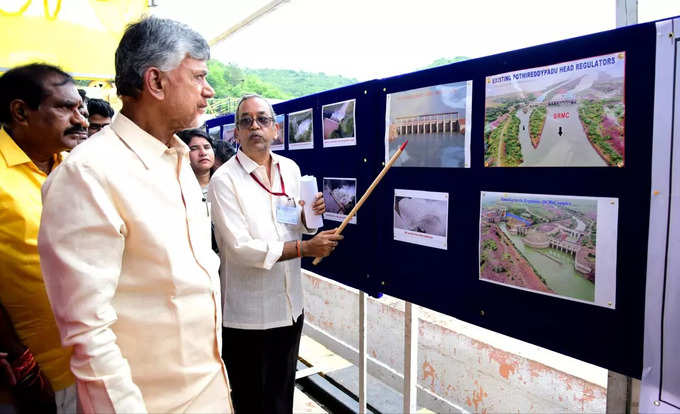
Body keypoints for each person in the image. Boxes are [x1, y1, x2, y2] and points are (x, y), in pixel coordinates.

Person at [38, 17, 232, 413]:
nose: (209, 91)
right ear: (156, 83)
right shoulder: (88, 175)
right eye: (198, 77)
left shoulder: (178, 160)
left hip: (210, 387)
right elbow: (89, 332)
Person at [209, 94, 343, 414]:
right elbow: (240, 248)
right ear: (236, 133)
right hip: (248, 316)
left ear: (276, 130)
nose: (255, 125)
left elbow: (295, 223)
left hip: (289, 306)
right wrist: (304, 248)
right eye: (246, 120)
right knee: (251, 400)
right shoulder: (224, 180)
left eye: (263, 119)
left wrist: (310, 215)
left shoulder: (291, 169)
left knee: (282, 395)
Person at [0, 63, 86, 413]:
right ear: (21, 112)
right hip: (32, 376)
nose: (80, 120)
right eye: (65, 108)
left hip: (91, 360)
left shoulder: (77, 169)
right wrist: (21, 365)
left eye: (80, 108)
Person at [177, 128, 214, 197]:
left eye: (207, 147)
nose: (203, 153)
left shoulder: (224, 182)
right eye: (194, 149)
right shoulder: (178, 189)